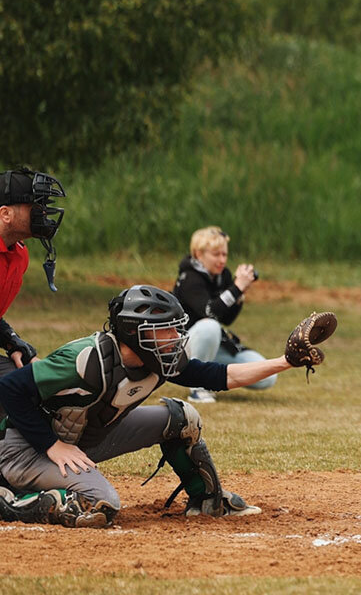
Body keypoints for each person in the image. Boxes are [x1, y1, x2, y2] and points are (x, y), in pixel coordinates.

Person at [0, 285, 309, 528]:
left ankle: (208, 501)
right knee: (102, 504)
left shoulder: (159, 360)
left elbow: (220, 376)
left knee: (182, 418)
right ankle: (9, 499)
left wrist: (285, 362)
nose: (175, 338)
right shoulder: (84, 360)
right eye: (166, 330)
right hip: (24, 451)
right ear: (136, 332)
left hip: (79, 444)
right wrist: (51, 445)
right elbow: (9, 389)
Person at [174, 226, 273, 403]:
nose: (221, 260)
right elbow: (210, 312)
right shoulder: (189, 278)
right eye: (215, 254)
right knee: (209, 326)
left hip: (212, 342)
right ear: (198, 254)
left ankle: (216, 380)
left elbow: (226, 318)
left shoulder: (222, 275)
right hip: (183, 347)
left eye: (224, 255)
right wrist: (236, 288)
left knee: (266, 377)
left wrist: (239, 295)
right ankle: (198, 387)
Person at [0, 169, 66, 409]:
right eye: (34, 206)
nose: (43, 213)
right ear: (5, 214)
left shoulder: (19, 255)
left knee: (34, 384)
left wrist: (12, 341)